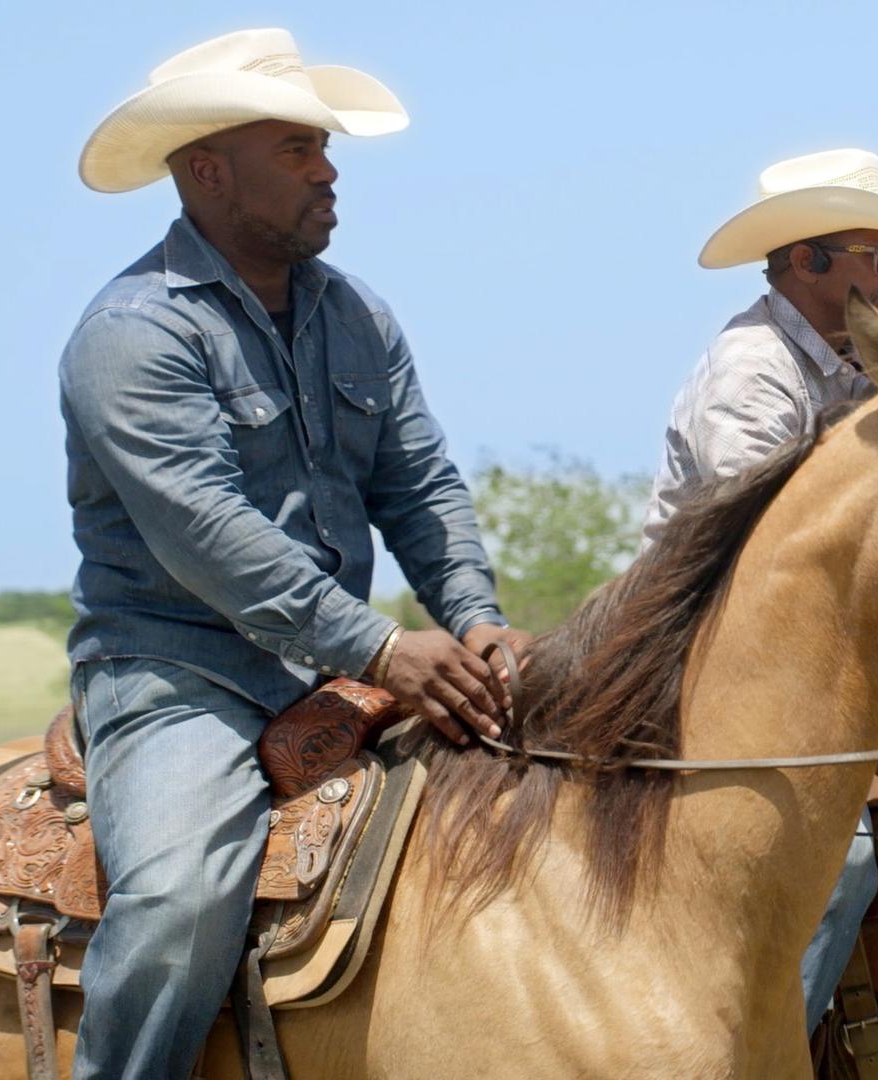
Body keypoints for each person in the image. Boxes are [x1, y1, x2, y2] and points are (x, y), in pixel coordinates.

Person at [62, 28, 531, 1077]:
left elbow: (420, 487)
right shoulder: (132, 333)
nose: (328, 172)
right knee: (180, 897)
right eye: (296, 150)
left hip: (336, 661)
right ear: (206, 169)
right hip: (179, 674)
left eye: (324, 148)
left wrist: (476, 620)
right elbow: (208, 537)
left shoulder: (358, 314)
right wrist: (377, 647)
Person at [643, 148, 878, 1031]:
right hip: (709, 657)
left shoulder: (865, 360)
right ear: (807, 261)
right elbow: (769, 559)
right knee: (841, 859)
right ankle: (764, 1042)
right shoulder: (753, 369)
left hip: (826, 656)